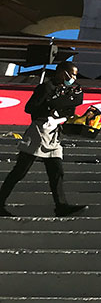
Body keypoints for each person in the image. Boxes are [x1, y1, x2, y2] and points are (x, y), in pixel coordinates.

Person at [0, 61, 87, 217]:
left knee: (57, 171)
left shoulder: (70, 91)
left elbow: (69, 112)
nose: (74, 78)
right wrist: (48, 110)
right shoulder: (46, 87)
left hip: (54, 133)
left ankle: (61, 206)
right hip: (40, 131)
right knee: (20, 171)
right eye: (72, 74)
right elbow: (30, 108)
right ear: (62, 73)